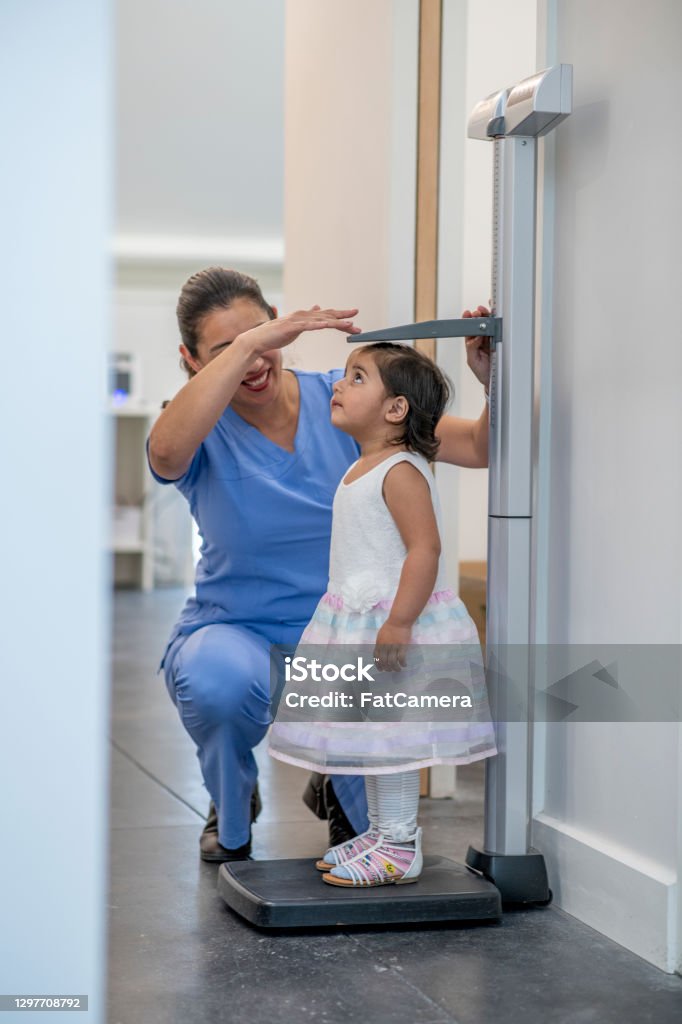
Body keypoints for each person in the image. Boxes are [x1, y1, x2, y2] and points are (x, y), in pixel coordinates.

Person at [147, 265, 492, 863]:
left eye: (261, 337)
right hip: (239, 630)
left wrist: (493, 380)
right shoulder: (198, 421)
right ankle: (233, 804)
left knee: (368, 829)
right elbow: (165, 452)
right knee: (216, 683)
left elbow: (479, 448)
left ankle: (332, 778)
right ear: (190, 359)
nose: (254, 362)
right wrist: (252, 343)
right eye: (227, 350)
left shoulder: (348, 400)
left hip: (347, 636)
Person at [268, 343, 498, 887]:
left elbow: (425, 550)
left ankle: (398, 843)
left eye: (356, 377)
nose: (338, 386)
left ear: (396, 409)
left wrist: (397, 623)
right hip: (359, 621)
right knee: (374, 739)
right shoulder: (363, 467)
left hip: (395, 627)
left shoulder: (400, 471)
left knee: (393, 740)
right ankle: (378, 832)